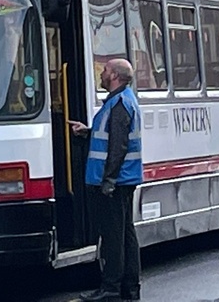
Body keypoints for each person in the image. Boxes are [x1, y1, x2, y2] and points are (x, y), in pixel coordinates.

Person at [70, 58, 143, 302]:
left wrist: (108, 180)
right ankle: (130, 290)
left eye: (105, 70)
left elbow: (118, 146)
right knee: (125, 236)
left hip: (116, 181)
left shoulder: (119, 104)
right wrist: (87, 132)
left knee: (113, 238)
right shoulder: (122, 101)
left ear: (115, 77)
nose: (101, 73)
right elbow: (112, 138)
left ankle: (111, 288)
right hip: (123, 179)